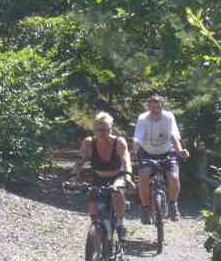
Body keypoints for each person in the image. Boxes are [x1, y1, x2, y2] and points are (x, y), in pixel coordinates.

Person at [70, 112, 133, 240]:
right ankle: (96, 239)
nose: (102, 132)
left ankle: (121, 224)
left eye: (105, 129)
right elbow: (80, 160)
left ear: (111, 128)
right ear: (94, 129)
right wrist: (74, 176)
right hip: (98, 178)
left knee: (117, 191)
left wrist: (128, 176)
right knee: (93, 208)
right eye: (98, 129)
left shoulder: (119, 141)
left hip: (117, 176)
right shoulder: (88, 142)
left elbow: (126, 160)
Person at [133, 94, 189, 224]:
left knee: (174, 177)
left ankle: (173, 204)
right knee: (143, 176)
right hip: (147, 152)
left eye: (157, 108)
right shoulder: (143, 118)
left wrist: (180, 151)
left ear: (162, 107)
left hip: (167, 151)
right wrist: (134, 150)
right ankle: (145, 208)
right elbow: (138, 138)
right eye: (152, 108)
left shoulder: (168, 117)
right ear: (148, 107)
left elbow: (173, 136)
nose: (154, 111)